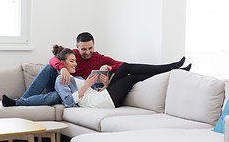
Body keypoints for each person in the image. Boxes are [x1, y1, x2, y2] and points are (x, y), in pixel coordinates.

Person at [2, 32, 124, 107]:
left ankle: (18, 103)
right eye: (83, 49)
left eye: (90, 48)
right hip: (61, 85)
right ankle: (23, 100)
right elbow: (53, 60)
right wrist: (62, 68)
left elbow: (123, 65)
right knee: (49, 67)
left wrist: (109, 67)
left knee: (57, 97)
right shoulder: (72, 54)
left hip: (71, 93)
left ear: (94, 45)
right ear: (77, 47)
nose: (87, 52)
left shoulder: (100, 58)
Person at [52, 46, 190, 108]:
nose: (75, 64)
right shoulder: (61, 79)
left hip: (100, 95)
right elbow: (69, 103)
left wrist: (104, 85)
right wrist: (87, 85)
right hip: (99, 102)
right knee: (131, 78)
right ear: (62, 63)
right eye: (72, 61)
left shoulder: (79, 78)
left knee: (125, 67)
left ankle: (169, 67)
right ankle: (170, 70)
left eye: (75, 60)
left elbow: (91, 93)